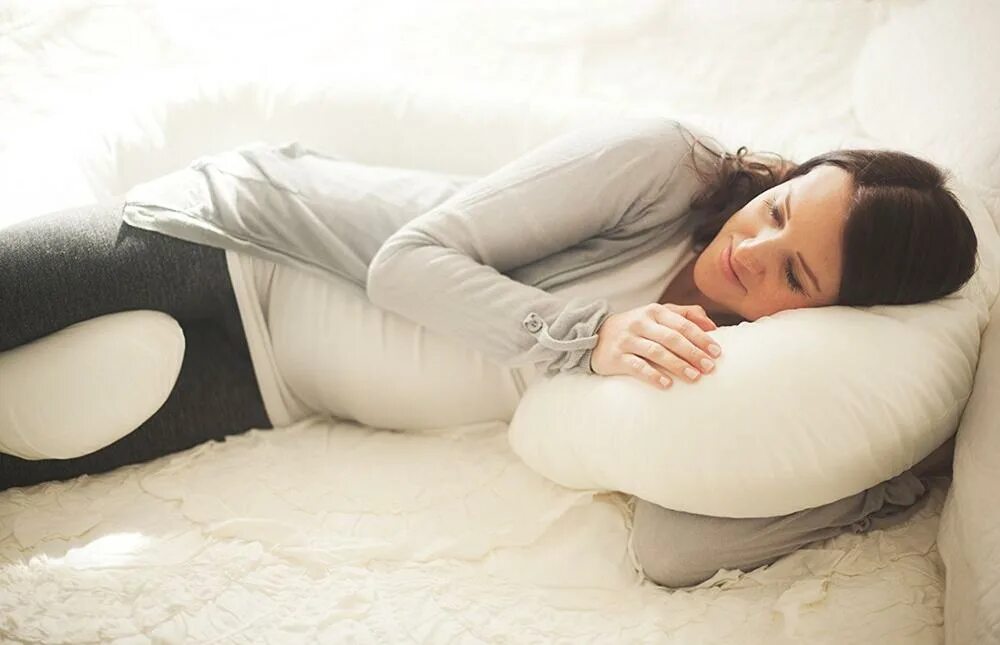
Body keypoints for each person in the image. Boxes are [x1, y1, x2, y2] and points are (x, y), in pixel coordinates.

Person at [0, 116, 978, 587]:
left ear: (828, 318)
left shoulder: (737, 363)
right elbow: (405, 264)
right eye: (777, 209)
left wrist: (876, 488)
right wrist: (587, 335)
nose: (751, 249)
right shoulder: (664, 168)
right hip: (228, 238)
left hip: (266, 387)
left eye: (794, 273)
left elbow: (676, 548)